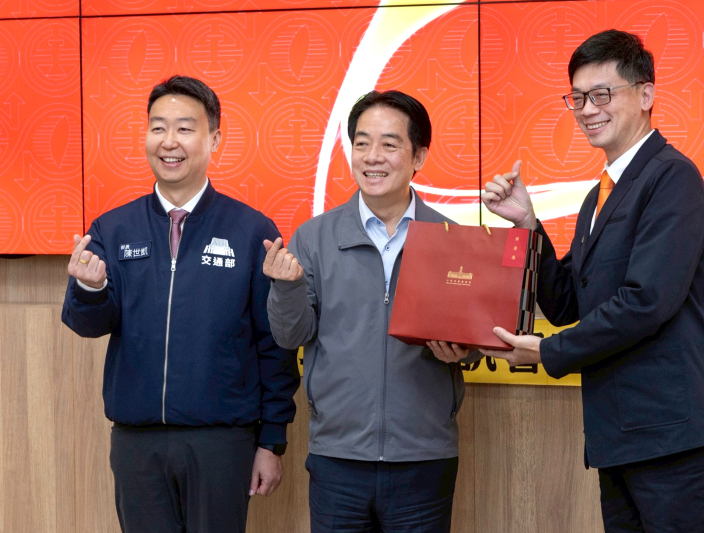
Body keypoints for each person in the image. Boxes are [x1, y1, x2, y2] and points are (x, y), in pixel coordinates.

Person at [479, 30, 704, 532]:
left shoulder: (672, 177)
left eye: (602, 94)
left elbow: (646, 302)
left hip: (671, 439)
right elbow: (567, 302)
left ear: (646, 94)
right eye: (577, 98)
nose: (588, 109)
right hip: (618, 436)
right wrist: (527, 224)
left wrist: (547, 352)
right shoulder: (600, 195)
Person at [62, 75, 299, 533]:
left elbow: (275, 344)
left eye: (185, 128)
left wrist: (271, 441)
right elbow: (88, 323)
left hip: (222, 442)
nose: (169, 141)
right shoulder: (113, 228)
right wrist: (91, 288)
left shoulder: (251, 230)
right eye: (158, 127)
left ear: (214, 139)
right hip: (137, 442)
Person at [263, 90, 478, 533]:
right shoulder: (314, 237)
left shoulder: (452, 239)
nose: (372, 156)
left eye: (389, 144)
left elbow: (473, 339)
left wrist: (464, 350)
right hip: (337, 455)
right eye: (361, 143)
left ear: (418, 156)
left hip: (423, 455)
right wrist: (285, 288)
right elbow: (290, 336)